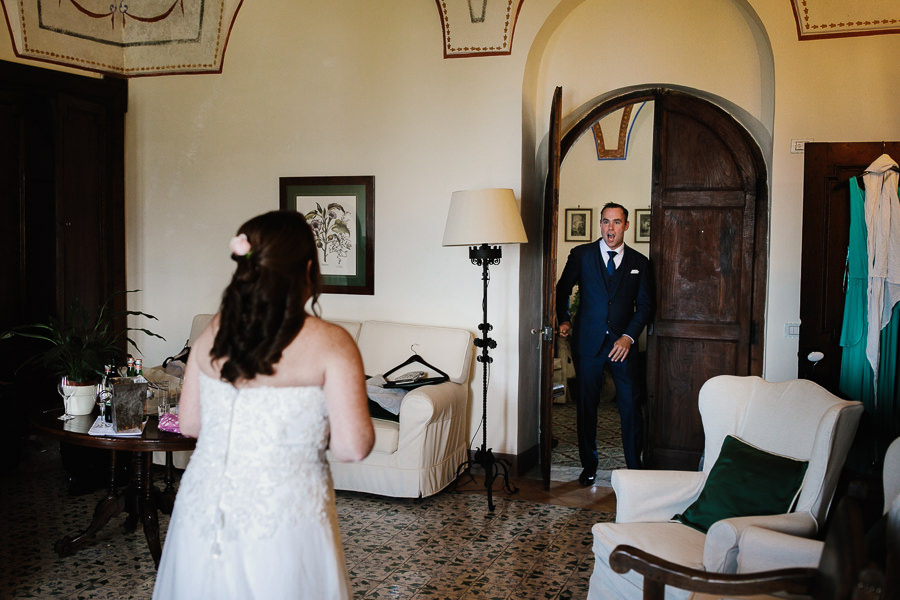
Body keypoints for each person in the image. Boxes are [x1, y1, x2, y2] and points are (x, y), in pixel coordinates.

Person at [153, 210, 374, 599]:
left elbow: (189, 424)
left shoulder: (213, 333)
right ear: (308, 269)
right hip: (286, 515)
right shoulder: (332, 342)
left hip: (205, 510)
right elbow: (352, 447)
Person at [555, 202, 655, 483]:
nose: (610, 228)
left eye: (616, 222)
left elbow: (646, 305)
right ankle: (589, 466)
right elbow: (563, 288)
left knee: (631, 407)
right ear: (600, 224)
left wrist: (628, 336)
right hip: (588, 344)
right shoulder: (581, 255)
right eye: (605, 222)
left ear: (626, 226)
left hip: (624, 346)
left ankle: (635, 469)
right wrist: (563, 319)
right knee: (587, 407)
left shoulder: (639, 262)